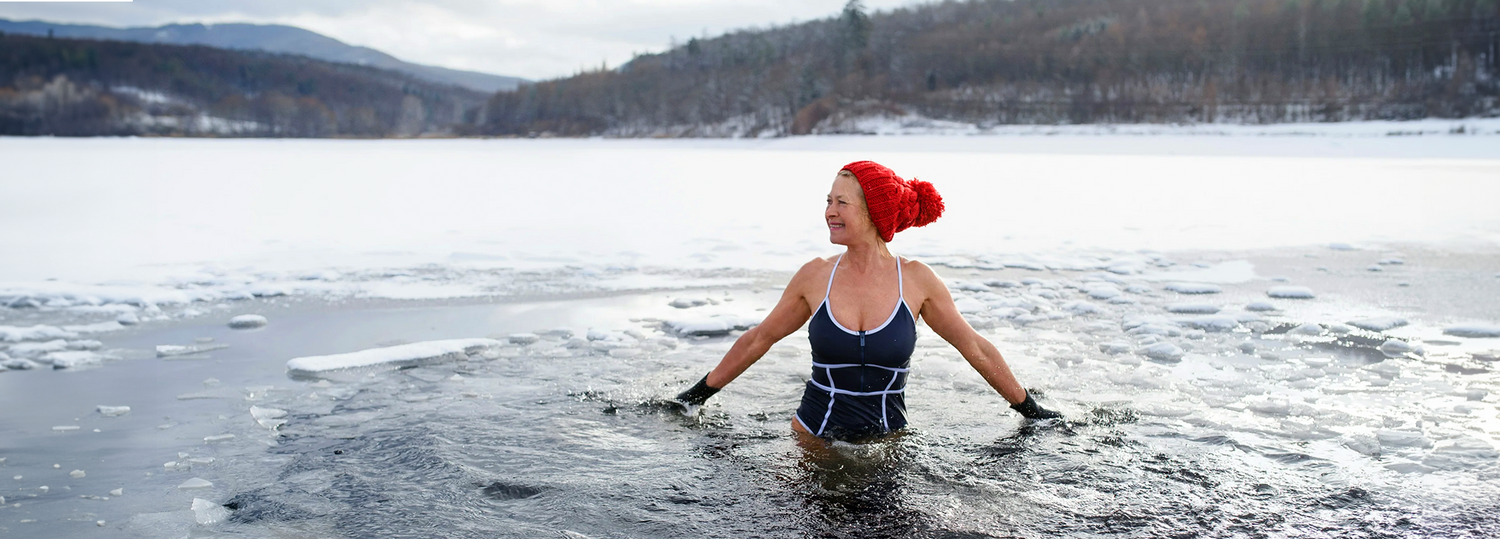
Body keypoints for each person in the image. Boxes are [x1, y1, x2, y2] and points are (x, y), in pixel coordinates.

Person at [675, 161, 1060, 442]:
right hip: (813, 437)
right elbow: (759, 339)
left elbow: (974, 347)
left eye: (841, 203)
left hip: (888, 441)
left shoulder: (916, 280)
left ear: (873, 211)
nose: (829, 211)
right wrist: (694, 397)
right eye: (828, 201)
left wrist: (1030, 410)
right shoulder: (815, 276)